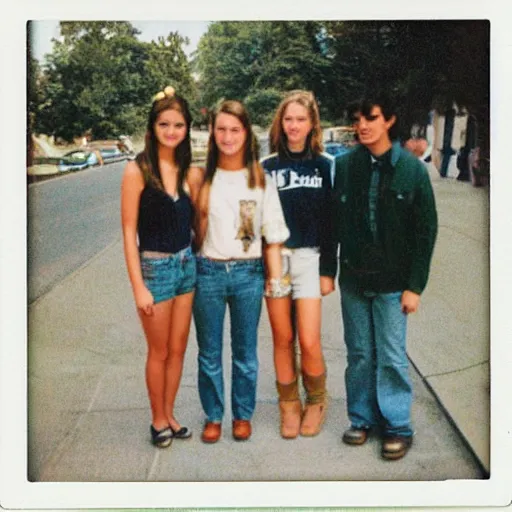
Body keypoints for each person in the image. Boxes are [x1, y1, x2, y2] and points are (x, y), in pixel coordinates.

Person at [321, 91, 438, 460]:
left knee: (390, 355)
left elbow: (425, 232)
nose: (362, 126)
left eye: (370, 118)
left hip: (393, 284)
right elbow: (331, 224)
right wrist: (328, 270)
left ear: (388, 120)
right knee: (359, 354)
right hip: (355, 281)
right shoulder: (347, 166)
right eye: (358, 119)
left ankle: (398, 426)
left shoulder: (412, 169)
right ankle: (361, 419)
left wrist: (414, 286)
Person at [193, 100, 289, 444]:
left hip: (249, 274)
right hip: (208, 273)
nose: (228, 136)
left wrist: (275, 283)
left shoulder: (259, 178)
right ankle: (214, 414)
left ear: (246, 133)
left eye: (235, 130)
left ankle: (242, 415)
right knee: (209, 352)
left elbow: (273, 235)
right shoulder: (202, 178)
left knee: (246, 352)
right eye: (221, 129)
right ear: (212, 132)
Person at [121, 85, 204, 448]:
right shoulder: (137, 170)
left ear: (187, 129)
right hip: (155, 268)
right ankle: (157, 420)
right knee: (158, 351)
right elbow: (128, 232)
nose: (172, 131)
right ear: (152, 127)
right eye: (164, 124)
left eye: (179, 125)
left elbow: (199, 223)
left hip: (187, 264)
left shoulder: (189, 171)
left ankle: (170, 413)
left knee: (179, 347)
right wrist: (138, 286)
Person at [260, 90, 335, 439]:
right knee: (282, 337)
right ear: (281, 122)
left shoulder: (325, 165)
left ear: (311, 124)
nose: (293, 125)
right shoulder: (267, 166)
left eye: (300, 119)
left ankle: (316, 400)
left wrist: (328, 271)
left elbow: (331, 223)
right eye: (288, 119)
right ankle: (288, 404)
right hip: (277, 259)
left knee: (308, 339)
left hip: (309, 258)